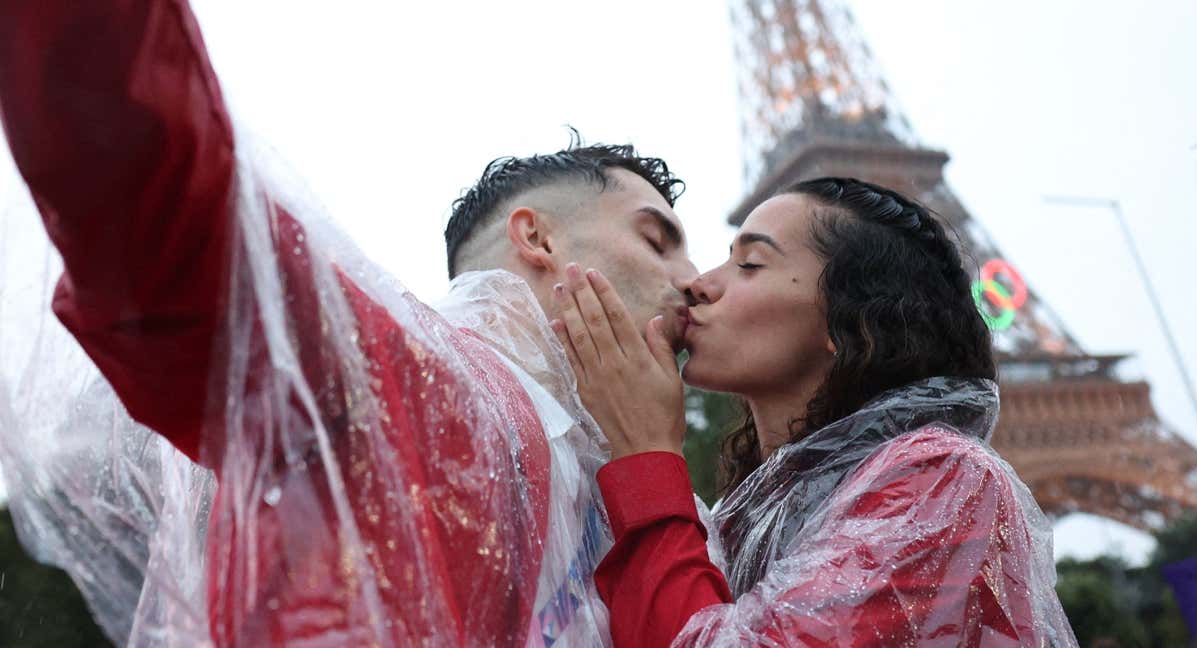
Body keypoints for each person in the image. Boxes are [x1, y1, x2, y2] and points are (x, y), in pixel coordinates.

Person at [0, 1, 696, 646]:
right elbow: (172, 207)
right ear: (537, 240)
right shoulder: (409, 380)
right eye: (657, 239)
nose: (694, 280)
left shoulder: (631, 505)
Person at [550, 178, 1079, 647]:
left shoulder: (944, 476)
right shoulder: (754, 511)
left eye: (750, 264)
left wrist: (646, 455)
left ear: (851, 322)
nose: (699, 284)